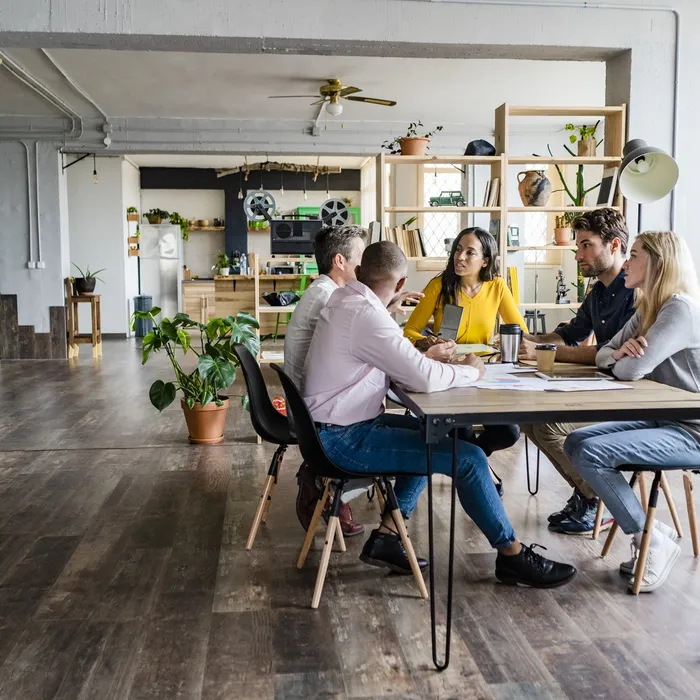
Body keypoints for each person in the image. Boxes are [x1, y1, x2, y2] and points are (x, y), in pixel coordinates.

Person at [303, 240, 576, 586]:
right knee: (470, 458)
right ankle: (511, 555)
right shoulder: (367, 315)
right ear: (401, 285)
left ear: (358, 273)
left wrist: (421, 361)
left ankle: (388, 535)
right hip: (341, 438)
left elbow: (396, 363)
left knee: (431, 431)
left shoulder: (345, 300)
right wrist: (470, 371)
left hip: (332, 427)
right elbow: (422, 377)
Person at [565, 230, 700, 592]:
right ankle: (653, 530)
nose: (627, 262)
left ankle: (648, 538)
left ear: (656, 263)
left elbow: (628, 371)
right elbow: (603, 353)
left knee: (593, 452)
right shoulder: (649, 308)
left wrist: (621, 359)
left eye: (635, 255)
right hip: (664, 419)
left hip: (691, 431)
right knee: (576, 441)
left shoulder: (679, 309)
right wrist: (620, 355)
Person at [285, 224, 426, 537]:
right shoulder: (331, 298)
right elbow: (363, 344)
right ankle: (332, 487)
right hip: (323, 422)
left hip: (317, 410)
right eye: (361, 259)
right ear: (340, 262)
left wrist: (388, 305)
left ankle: (352, 499)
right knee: (426, 441)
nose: (367, 267)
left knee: (415, 432)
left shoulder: (325, 292)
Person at [519, 208, 636, 535]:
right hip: (605, 387)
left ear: (614, 246)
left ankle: (602, 500)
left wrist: (548, 351)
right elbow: (571, 333)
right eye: (578, 245)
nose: (578, 254)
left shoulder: (634, 291)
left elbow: (610, 354)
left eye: (586, 245)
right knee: (528, 419)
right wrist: (530, 339)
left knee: (549, 426)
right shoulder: (598, 291)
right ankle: (587, 495)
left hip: (631, 396)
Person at [404, 226, 525, 459]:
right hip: (449, 374)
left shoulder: (497, 287)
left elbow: (520, 332)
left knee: (509, 433)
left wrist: (507, 344)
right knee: (461, 430)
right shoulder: (438, 286)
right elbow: (409, 331)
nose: (460, 256)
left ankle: (474, 460)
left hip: (484, 373)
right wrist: (426, 342)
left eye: (470, 252)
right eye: (458, 249)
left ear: (485, 261)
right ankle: (480, 474)